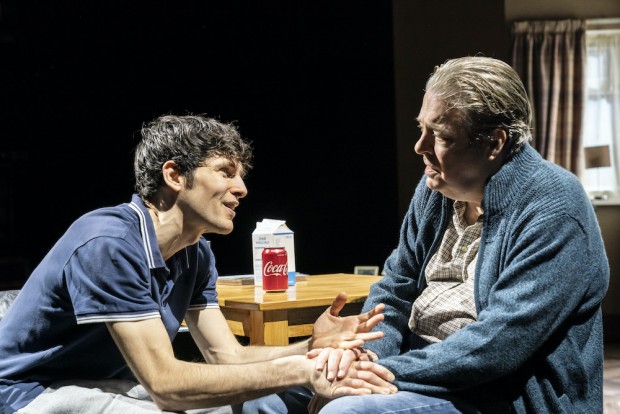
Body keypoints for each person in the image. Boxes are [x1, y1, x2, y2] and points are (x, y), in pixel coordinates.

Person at [246, 56, 610, 413]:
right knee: (263, 398)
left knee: (347, 411)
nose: (419, 147)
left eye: (440, 136)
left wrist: (379, 373)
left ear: (494, 143)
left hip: (501, 392)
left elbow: (499, 345)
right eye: (421, 128)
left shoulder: (554, 208)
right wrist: (366, 357)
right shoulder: (436, 188)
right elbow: (396, 289)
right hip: (416, 364)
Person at [0, 114, 396, 414]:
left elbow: (229, 358)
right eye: (225, 172)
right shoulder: (111, 243)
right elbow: (166, 384)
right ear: (174, 175)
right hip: (30, 391)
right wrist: (303, 370)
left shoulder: (195, 251)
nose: (241, 189)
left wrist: (311, 347)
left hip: (109, 384)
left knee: (270, 399)